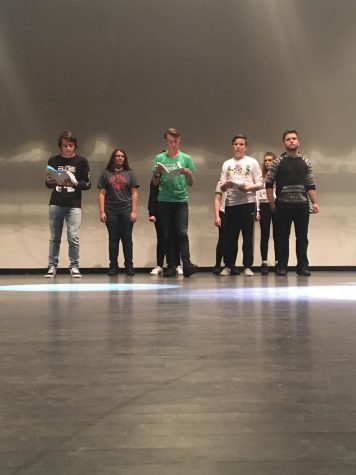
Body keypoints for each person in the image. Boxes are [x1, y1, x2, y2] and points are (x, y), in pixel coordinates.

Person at [265, 129, 320, 276]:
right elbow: (268, 184)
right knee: (282, 237)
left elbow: (310, 184)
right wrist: (272, 203)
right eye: (288, 139)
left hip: (302, 206)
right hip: (283, 206)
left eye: (294, 138)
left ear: (298, 142)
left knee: (302, 237)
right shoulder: (277, 162)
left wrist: (314, 202)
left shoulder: (306, 162)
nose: (291, 141)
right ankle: (282, 266)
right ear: (284, 143)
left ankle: (302, 266)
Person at [151, 128, 198, 277]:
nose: (172, 144)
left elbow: (191, 183)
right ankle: (170, 265)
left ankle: (186, 263)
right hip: (164, 200)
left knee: (182, 233)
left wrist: (189, 175)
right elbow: (154, 182)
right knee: (167, 234)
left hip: (180, 200)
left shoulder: (186, 158)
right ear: (166, 141)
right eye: (170, 141)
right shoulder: (160, 157)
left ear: (179, 140)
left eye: (175, 141)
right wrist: (156, 173)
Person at [44, 131, 91, 278]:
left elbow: (87, 184)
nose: (68, 148)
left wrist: (74, 183)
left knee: (73, 236)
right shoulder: (53, 160)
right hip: (56, 202)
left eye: (70, 145)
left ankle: (74, 266)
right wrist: (52, 180)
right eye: (65, 145)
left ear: (75, 146)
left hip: (74, 203)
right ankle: (52, 266)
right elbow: (47, 183)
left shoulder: (82, 161)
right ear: (60, 146)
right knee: (55, 237)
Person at [219, 134, 263, 276]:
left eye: (241, 144)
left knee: (247, 236)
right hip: (231, 203)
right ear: (233, 146)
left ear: (245, 147)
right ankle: (229, 265)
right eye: (236, 144)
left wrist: (248, 188)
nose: (238, 146)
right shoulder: (227, 164)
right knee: (230, 236)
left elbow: (260, 183)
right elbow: (221, 185)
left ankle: (247, 266)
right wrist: (225, 185)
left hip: (247, 202)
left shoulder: (252, 162)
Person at [97, 148, 138, 276]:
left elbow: (134, 193)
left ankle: (129, 267)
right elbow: (102, 193)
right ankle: (113, 266)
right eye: (117, 156)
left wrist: (134, 211)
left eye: (122, 156)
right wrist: (102, 212)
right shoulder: (106, 174)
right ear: (113, 158)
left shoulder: (130, 173)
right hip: (111, 211)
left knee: (127, 239)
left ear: (124, 159)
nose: (120, 158)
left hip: (126, 210)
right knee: (113, 239)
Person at [148, 179, 183, 275]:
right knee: (162, 237)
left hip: (174, 209)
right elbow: (152, 195)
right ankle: (159, 265)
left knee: (176, 237)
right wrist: (152, 212)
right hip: (160, 210)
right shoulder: (156, 179)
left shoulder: (174, 179)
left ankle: (177, 265)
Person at [256, 152, 278, 275]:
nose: (267, 162)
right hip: (264, 205)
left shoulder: (279, 175)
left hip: (276, 205)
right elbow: (257, 194)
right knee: (265, 234)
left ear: (275, 161)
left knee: (277, 235)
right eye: (265, 160)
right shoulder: (261, 177)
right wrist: (258, 210)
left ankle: (277, 262)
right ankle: (264, 262)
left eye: (270, 160)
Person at [212, 181, 237, 275]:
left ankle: (230, 265)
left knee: (233, 239)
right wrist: (217, 216)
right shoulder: (221, 182)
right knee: (222, 238)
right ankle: (218, 265)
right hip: (223, 212)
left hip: (235, 212)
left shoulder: (238, 182)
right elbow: (217, 199)